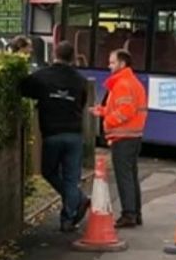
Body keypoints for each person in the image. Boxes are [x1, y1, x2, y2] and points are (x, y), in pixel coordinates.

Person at [20, 41, 90, 232]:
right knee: (71, 178)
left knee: (48, 171)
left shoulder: (43, 76)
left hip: (52, 133)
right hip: (74, 133)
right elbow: (82, 102)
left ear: (54, 54)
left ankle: (78, 200)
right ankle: (68, 218)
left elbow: (24, 88)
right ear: (73, 57)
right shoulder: (79, 79)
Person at [91, 49, 147, 228]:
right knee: (130, 175)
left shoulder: (122, 84)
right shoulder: (132, 82)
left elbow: (125, 110)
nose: (109, 66)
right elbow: (122, 107)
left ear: (122, 64)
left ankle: (129, 214)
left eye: (112, 62)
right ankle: (135, 213)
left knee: (124, 176)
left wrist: (107, 120)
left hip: (124, 135)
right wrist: (101, 111)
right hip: (133, 135)